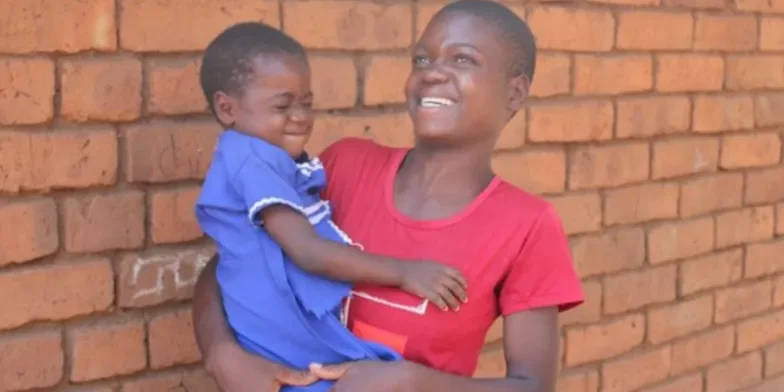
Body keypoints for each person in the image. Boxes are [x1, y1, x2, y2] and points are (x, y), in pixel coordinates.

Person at [193, 1, 585, 391]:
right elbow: (236, 258)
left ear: (514, 93)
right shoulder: (345, 167)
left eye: (463, 60)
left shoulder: (526, 225)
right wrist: (221, 355)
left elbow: (533, 386)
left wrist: (408, 381)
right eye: (422, 60)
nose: (433, 74)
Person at [194, 22, 471, 392]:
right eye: (282, 105)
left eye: (306, 103)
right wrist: (404, 272)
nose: (300, 116)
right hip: (279, 336)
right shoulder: (251, 159)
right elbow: (307, 251)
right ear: (227, 108)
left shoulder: (259, 159)